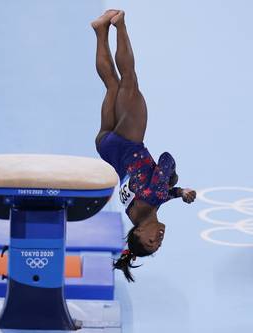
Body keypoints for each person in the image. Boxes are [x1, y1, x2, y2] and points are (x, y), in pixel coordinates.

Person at [92, 10, 197, 282]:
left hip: (129, 141)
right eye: (158, 244)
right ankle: (101, 30)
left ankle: (119, 24)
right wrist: (179, 192)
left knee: (129, 78)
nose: (158, 239)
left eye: (151, 242)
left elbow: (165, 159)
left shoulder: (152, 197)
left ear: (137, 234)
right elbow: (158, 193)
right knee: (112, 85)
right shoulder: (138, 211)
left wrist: (173, 176)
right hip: (107, 147)